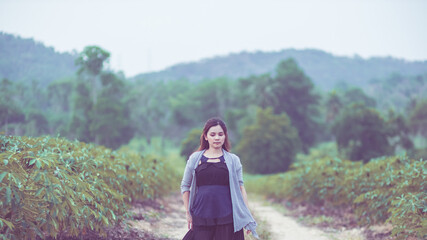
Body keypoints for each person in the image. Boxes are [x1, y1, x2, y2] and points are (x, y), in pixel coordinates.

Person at [181, 117, 259, 240]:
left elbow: (240, 187)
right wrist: (188, 212)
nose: (217, 138)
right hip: (201, 214)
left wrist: (246, 215)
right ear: (206, 136)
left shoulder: (233, 160)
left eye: (220, 134)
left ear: (225, 136)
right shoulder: (195, 159)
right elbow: (185, 187)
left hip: (227, 216)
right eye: (213, 134)